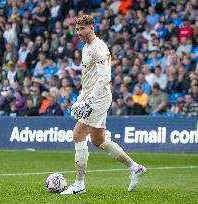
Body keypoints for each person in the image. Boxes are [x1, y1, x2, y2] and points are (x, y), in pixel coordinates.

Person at [61, 15, 146, 195]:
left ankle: (79, 184)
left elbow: (105, 78)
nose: (79, 33)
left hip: (98, 98)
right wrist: (79, 99)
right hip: (91, 97)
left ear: (92, 27)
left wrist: (89, 101)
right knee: (98, 141)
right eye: (77, 30)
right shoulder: (86, 47)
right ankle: (135, 167)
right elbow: (89, 79)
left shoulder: (100, 48)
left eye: (82, 29)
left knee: (77, 134)